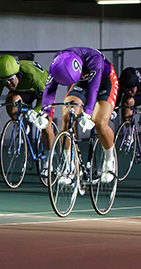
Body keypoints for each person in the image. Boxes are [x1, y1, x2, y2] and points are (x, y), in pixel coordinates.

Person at [43, 47, 119, 184]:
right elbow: (49, 89)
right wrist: (44, 113)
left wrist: (88, 113)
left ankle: (109, 161)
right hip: (82, 81)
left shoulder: (93, 59)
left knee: (99, 123)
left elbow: (94, 88)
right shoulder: (57, 61)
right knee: (67, 116)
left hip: (105, 82)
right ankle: (69, 166)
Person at [0, 55, 56, 174]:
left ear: (17, 72)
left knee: (45, 125)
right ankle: (21, 126)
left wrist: (35, 111)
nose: (8, 84)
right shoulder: (1, 78)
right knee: (10, 100)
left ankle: (48, 161)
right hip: (22, 91)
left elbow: (45, 99)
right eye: (4, 81)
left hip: (43, 90)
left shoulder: (31, 75)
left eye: (10, 79)